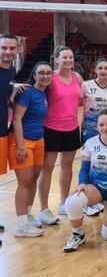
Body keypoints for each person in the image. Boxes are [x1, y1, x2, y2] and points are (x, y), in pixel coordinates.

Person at [61, 110, 107, 253]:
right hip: (96, 188)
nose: (105, 128)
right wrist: (82, 183)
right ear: (97, 126)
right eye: (101, 125)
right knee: (72, 201)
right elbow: (84, 168)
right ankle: (78, 234)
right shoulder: (91, 143)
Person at [36, 46, 83, 224]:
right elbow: (36, 91)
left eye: (71, 57)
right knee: (47, 168)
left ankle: (64, 203)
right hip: (51, 128)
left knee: (67, 166)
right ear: (56, 59)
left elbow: (88, 93)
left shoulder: (77, 77)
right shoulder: (51, 77)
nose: (68, 60)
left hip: (72, 127)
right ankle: (44, 209)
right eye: (64, 57)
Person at [9, 62, 52, 238]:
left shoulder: (43, 94)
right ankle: (21, 225)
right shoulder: (26, 92)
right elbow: (16, 119)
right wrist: (21, 146)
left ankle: (27, 216)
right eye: (41, 73)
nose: (45, 76)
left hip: (38, 141)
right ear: (34, 75)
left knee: (33, 179)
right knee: (25, 182)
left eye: (48, 73)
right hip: (23, 142)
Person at [0, 33, 20, 232]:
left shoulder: (12, 71)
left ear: (17, 50)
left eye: (11, 48)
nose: (8, 52)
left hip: (2, 131)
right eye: (4, 48)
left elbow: (6, 100)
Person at [80, 56, 107, 144]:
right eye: (100, 68)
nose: (103, 71)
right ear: (95, 70)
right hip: (89, 126)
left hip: (106, 126)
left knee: (105, 150)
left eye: (106, 68)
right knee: (89, 150)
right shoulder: (86, 85)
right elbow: (81, 105)